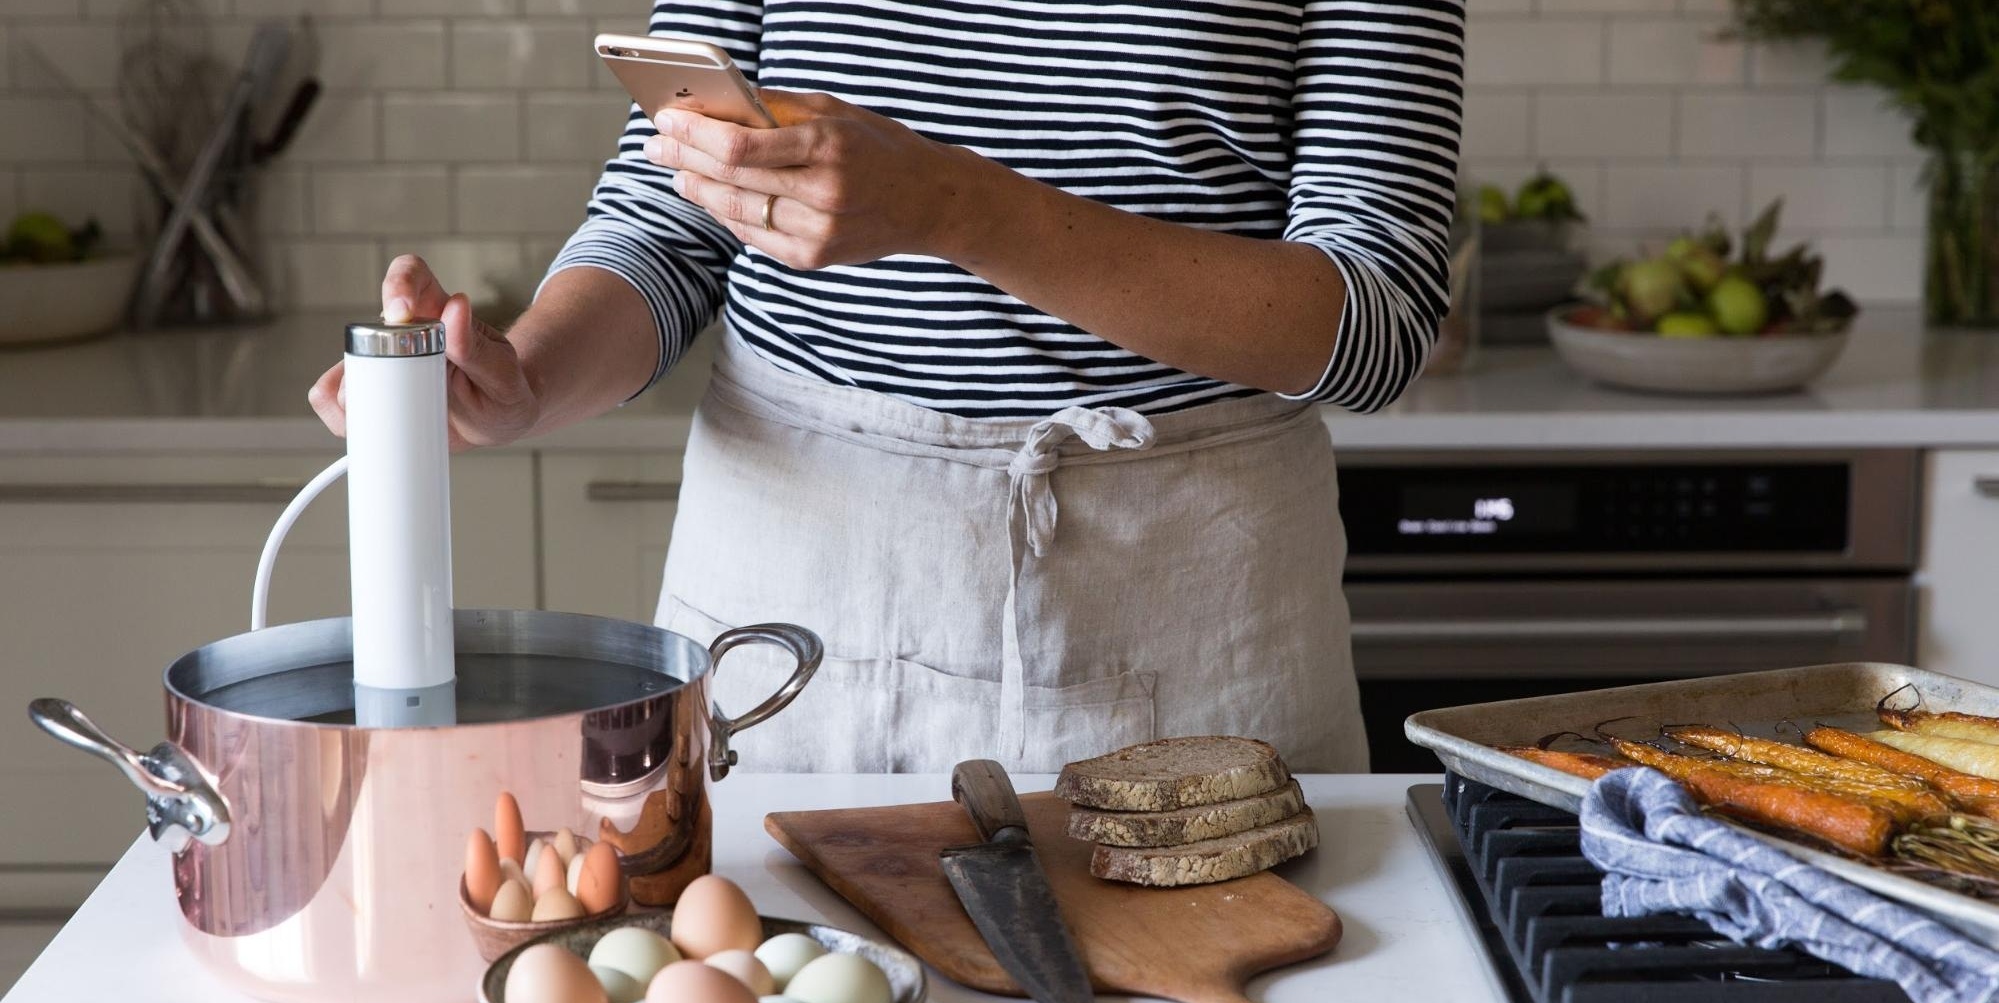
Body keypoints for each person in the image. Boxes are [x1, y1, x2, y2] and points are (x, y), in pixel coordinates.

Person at [311, 1, 1466, 774]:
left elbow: (1374, 321)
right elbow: (669, 215)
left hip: (1183, 593)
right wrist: (528, 380)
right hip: (794, 582)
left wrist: (955, 207)